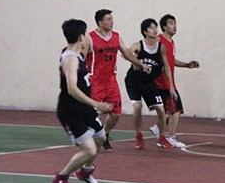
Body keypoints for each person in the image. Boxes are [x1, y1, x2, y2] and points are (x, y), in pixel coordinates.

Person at [52, 19, 113, 183]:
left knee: (100, 138)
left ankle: (85, 171)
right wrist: (96, 104)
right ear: (80, 37)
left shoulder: (77, 53)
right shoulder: (71, 59)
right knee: (89, 149)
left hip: (84, 108)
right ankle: (61, 178)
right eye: (85, 34)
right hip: (71, 110)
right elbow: (72, 89)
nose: (87, 37)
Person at [85, 9, 149, 151]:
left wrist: (141, 64)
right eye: (108, 19)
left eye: (112, 19)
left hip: (111, 81)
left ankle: (105, 135)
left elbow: (126, 53)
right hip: (95, 82)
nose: (112, 22)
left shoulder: (116, 37)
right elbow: (81, 57)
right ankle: (88, 139)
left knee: (116, 113)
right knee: (91, 114)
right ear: (100, 23)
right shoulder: (90, 38)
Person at [124, 18, 176, 150]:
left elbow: (167, 67)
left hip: (148, 82)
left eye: (155, 27)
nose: (155, 30)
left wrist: (171, 86)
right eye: (151, 28)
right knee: (138, 107)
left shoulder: (161, 47)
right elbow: (125, 54)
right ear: (145, 32)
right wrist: (135, 61)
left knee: (161, 110)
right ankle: (138, 135)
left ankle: (162, 138)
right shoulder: (138, 45)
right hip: (133, 82)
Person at [150, 14, 199, 148]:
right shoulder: (159, 40)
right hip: (162, 83)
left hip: (168, 82)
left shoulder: (171, 42)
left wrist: (187, 65)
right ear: (164, 26)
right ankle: (171, 137)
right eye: (171, 23)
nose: (175, 26)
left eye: (175, 23)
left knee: (168, 112)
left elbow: (171, 61)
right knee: (176, 110)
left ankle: (158, 129)